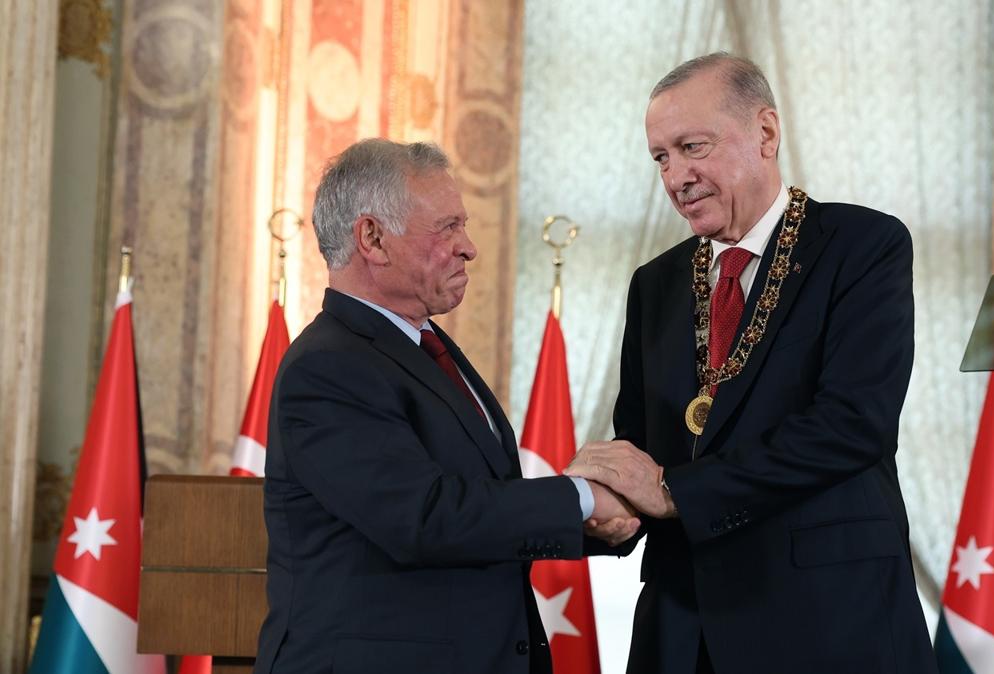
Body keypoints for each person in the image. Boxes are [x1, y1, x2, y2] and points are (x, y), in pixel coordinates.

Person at [566, 53, 936, 673]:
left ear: (765, 133)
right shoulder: (655, 284)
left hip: (825, 621)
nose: (676, 177)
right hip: (683, 629)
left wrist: (672, 491)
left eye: (692, 147)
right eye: (661, 157)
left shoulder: (862, 246)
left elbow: (851, 426)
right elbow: (640, 445)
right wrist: (601, 500)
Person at [253, 139, 638, 674]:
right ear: (373, 239)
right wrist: (582, 498)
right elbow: (424, 518)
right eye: (447, 227)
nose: (469, 248)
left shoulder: (423, 346)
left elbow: (478, 508)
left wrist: (602, 520)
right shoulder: (327, 366)